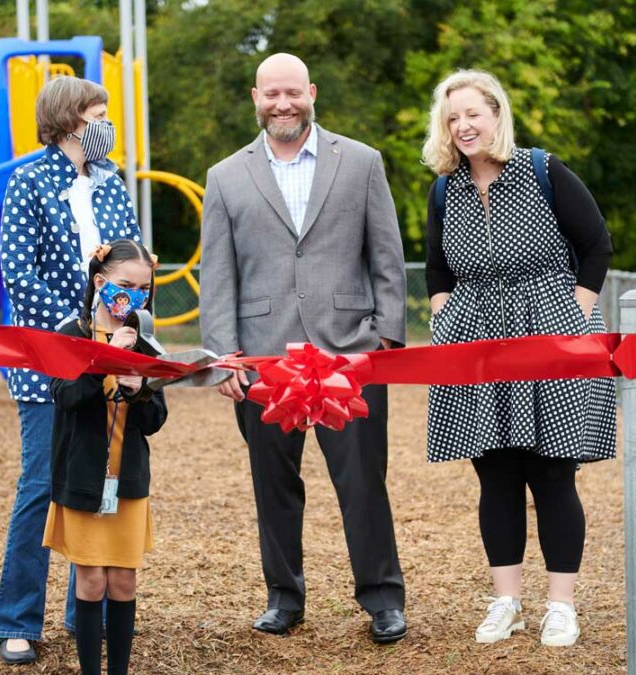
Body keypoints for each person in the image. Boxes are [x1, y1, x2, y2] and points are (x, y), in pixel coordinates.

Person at [200, 53, 408, 643]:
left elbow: (387, 256)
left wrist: (387, 338)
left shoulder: (361, 161)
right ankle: (284, 597)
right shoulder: (226, 176)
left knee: (364, 482)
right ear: (255, 97)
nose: (283, 104)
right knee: (273, 484)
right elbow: (217, 274)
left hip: (349, 354)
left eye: (293, 92)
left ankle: (383, 599)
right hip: (264, 359)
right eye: (272, 95)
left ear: (311, 92)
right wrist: (224, 354)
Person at [422, 69, 616, 647]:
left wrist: (576, 314)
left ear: (497, 115)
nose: (463, 126)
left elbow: (596, 243)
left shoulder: (542, 170)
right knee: (496, 474)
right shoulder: (444, 189)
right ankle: (506, 600)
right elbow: (437, 265)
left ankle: (561, 604)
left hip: (552, 334)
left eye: (473, 114)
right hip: (476, 343)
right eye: (453, 118)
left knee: (553, 474)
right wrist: (441, 313)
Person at [0, 76, 141, 664]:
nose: (107, 125)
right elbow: (17, 274)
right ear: (68, 119)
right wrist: (79, 330)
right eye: (98, 114)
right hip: (48, 361)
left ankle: (87, 608)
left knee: (98, 480)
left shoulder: (112, 183)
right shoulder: (27, 180)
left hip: (108, 359)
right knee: (41, 485)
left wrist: (122, 335)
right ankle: (17, 618)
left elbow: (131, 261)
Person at [43, 240, 166, 675]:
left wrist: (139, 389)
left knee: (123, 581)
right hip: (82, 478)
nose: (133, 297)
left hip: (127, 479)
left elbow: (155, 418)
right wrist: (107, 355)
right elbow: (66, 396)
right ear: (100, 281)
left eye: (143, 289)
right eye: (124, 285)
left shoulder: (145, 340)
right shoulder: (72, 334)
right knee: (92, 581)